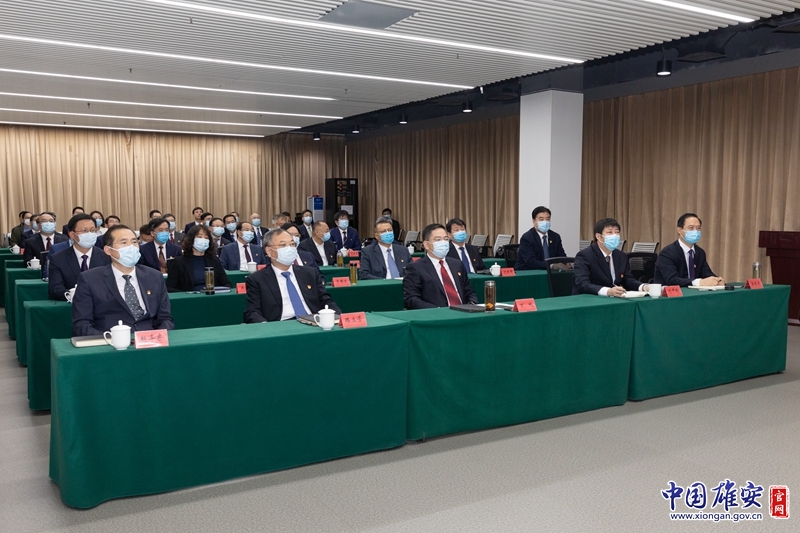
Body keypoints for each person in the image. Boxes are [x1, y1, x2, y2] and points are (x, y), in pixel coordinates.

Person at [71, 225, 174, 336]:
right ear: (108, 250)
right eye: (124, 243)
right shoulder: (90, 279)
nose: (131, 247)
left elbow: (165, 318)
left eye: (134, 242)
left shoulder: (154, 276)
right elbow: (82, 324)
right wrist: (111, 339)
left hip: (150, 339)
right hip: (110, 340)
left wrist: (158, 337)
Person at [244, 229, 341, 323]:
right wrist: (266, 327)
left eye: (292, 244)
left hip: (313, 321)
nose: (289, 249)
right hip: (280, 325)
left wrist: (339, 318)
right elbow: (252, 312)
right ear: (269, 251)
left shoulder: (310, 273)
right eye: (283, 245)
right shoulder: (257, 279)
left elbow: (326, 300)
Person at [403, 223, 478, 309]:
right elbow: (411, 299)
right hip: (436, 313)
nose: (443, 243)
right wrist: (437, 310)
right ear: (426, 245)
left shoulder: (457, 264)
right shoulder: (416, 268)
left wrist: (472, 303)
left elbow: (469, 291)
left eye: (446, 239)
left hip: (464, 311)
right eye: (438, 240)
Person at [572, 218, 648, 297]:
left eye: (617, 232)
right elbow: (583, 284)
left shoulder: (621, 256)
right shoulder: (585, 255)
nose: (614, 236)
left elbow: (627, 280)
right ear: (598, 236)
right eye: (610, 232)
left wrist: (643, 287)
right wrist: (607, 291)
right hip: (589, 298)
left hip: (613, 298)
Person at [48, 214, 111, 301]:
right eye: (84, 231)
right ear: (72, 234)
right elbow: (55, 289)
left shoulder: (107, 257)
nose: (89, 234)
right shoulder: (58, 259)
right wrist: (73, 295)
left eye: (92, 230)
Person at [654, 213, 723, 287]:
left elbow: (706, 274)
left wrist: (717, 280)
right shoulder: (667, 253)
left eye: (698, 228)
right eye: (691, 228)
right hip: (670, 293)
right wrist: (698, 282)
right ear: (679, 230)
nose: (695, 231)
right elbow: (672, 280)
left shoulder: (700, 252)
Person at [166, 225, 231, 292]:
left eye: (206, 237)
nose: (203, 240)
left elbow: (226, 283)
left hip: (212, 296)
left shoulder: (214, 260)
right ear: (191, 240)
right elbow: (170, 287)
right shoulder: (178, 262)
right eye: (200, 237)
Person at [516, 206, 566, 271]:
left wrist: (567, 263)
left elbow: (561, 256)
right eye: (541, 219)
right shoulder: (527, 238)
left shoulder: (555, 237)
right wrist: (551, 266)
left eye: (547, 219)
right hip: (529, 272)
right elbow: (531, 261)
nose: (545, 222)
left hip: (551, 272)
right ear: (534, 221)